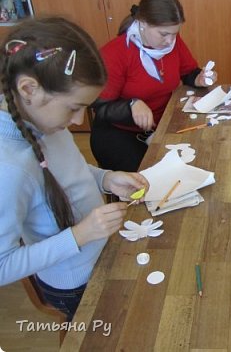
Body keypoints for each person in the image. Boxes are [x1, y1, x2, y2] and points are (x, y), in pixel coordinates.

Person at [0, 17, 149, 321]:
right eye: (73, 108)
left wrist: (106, 179)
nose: (80, 121)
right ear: (29, 89)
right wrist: (79, 235)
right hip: (75, 283)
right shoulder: (10, 168)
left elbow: (71, 172)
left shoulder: (43, 120)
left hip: (100, 253)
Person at [90, 0, 217, 172]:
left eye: (175, 33)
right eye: (164, 34)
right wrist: (131, 105)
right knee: (151, 181)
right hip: (121, 133)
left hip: (163, 123)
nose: (170, 41)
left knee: (202, 160)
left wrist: (199, 78)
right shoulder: (115, 53)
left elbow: (188, 72)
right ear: (142, 22)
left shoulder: (172, 42)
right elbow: (100, 107)